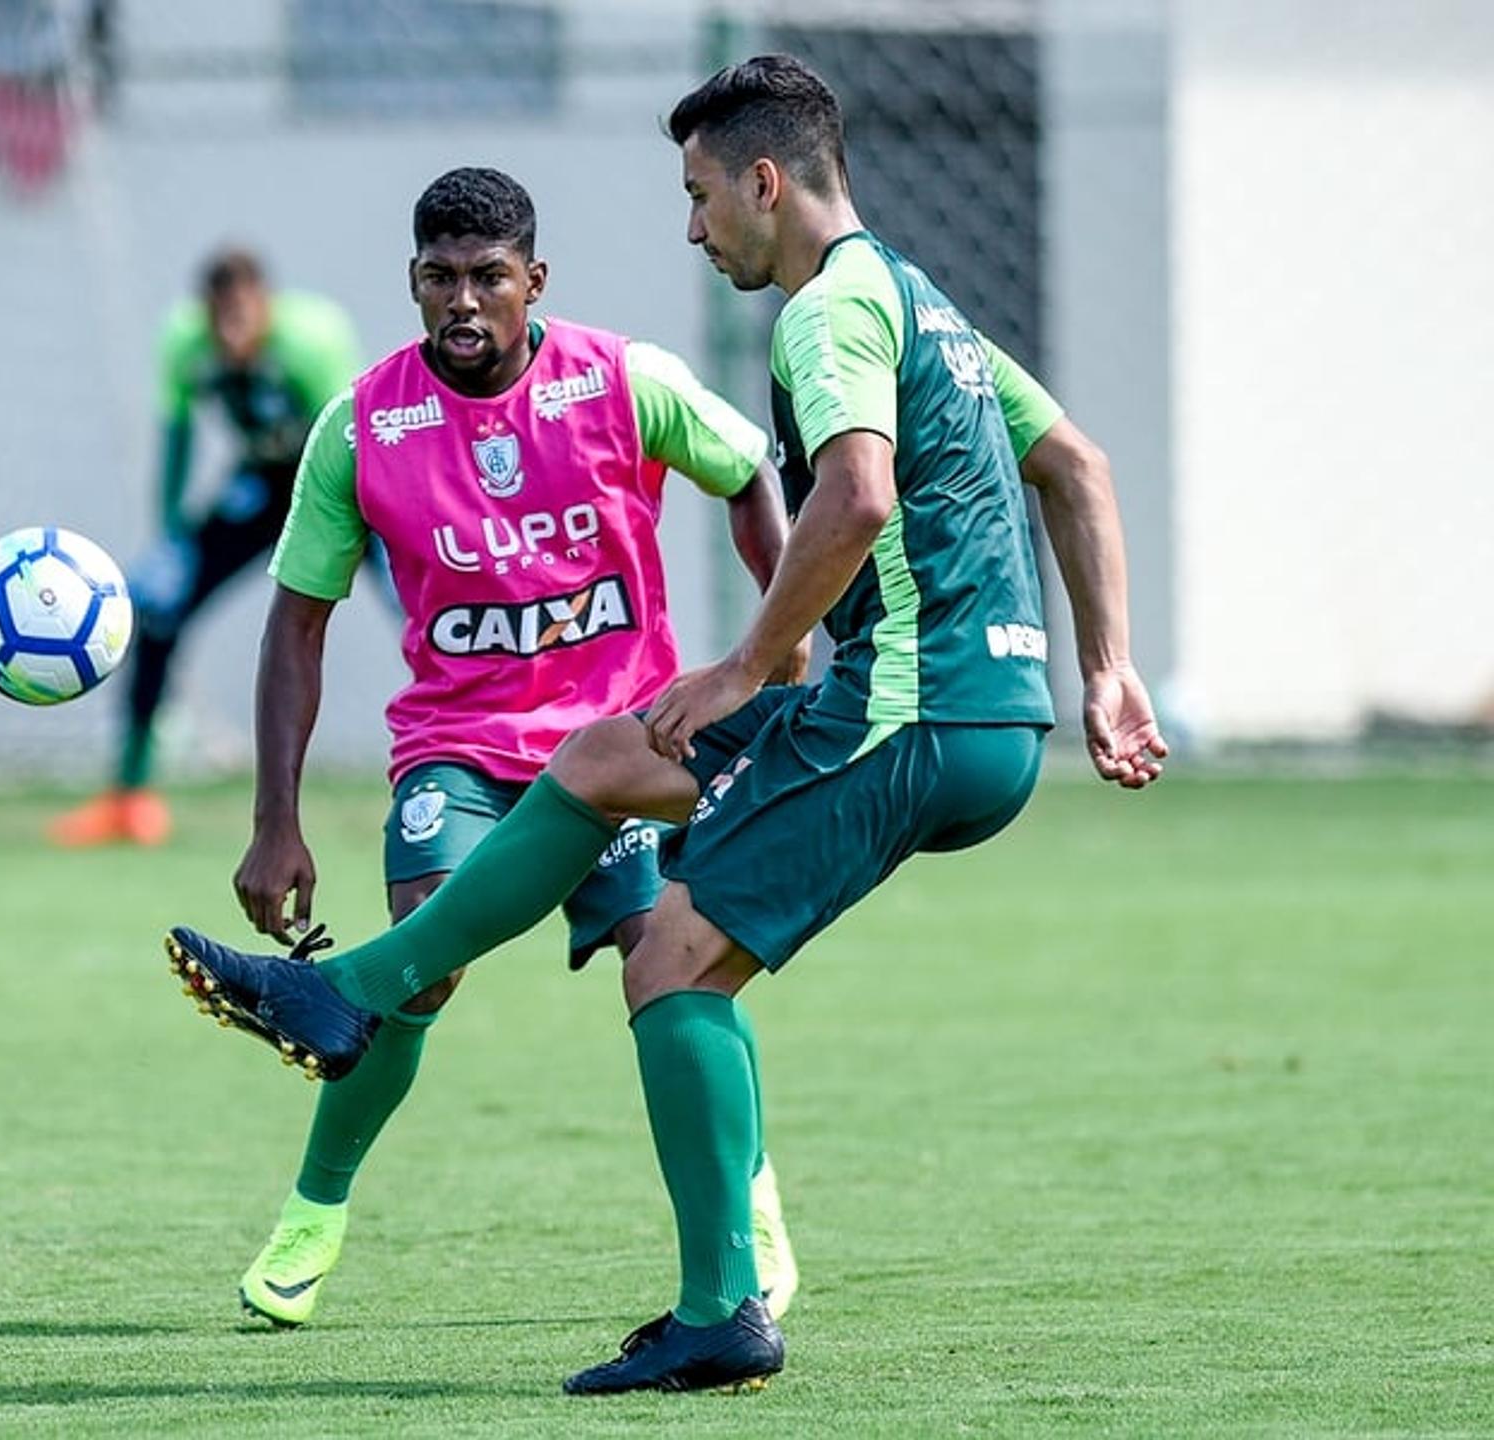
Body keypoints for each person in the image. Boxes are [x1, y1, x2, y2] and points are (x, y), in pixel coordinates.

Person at [164, 55, 1167, 1395]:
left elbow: (854, 496)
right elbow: (1079, 466)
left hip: (911, 711)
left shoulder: (821, 316)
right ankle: (351, 997)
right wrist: (1108, 666)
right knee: (606, 761)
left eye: (700, 196)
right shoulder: (923, 304)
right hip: (985, 709)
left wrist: (754, 663)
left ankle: (723, 1309)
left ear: (766, 181)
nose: (694, 228)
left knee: (673, 959)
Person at [210, 166, 808, 1328]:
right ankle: (314, 1212)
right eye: (440, 278)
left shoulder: (627, 381)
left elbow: (749, 477)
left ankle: (749, 1209)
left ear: (535, 280)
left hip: (629, 739)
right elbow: (298, 619)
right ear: (414, 282)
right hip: (461, 748)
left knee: (675, 955)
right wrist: (274, 819)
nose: (464, 301)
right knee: (418, 963)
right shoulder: (364, 424)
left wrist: (772, 641)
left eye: (490, 277)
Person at [51, 248, 362, 847]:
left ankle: (484, 767)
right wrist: (172, 537)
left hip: (344, 489)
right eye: (221, 320)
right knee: (159, 608)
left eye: (242, 318)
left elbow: (348, 438)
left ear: (265, 308)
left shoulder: (312, 338)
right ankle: (129, 795)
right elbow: (178, 437)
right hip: (262, 485)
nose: (231, 334)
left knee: (423, 612)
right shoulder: (184, 342)